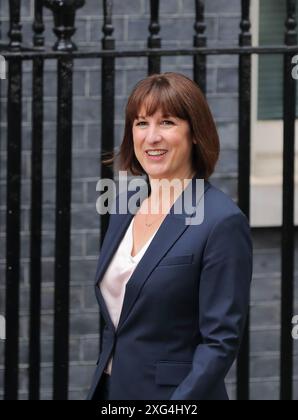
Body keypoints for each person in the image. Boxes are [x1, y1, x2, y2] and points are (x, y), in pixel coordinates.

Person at [87, 72, 253, 400]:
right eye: (141, 123)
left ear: (194, 132)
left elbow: (220, 343)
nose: (151, 137)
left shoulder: (221, 221)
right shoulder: (125, 207)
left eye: (167, 123)